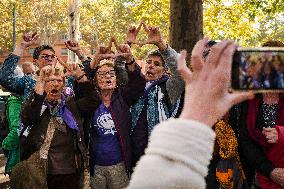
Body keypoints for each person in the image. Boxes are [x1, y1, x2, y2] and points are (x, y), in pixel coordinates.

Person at [127, 39, 253, 188]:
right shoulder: (189, 91)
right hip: (197, 164)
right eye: (207, 54)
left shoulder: (243, 94)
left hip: (233, 166)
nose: (212, 59)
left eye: (219, 56)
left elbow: (246, 136)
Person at [10, 64, 100, 189]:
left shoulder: (71, 106)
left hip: (69, 171)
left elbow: (94, 100)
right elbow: (28, 117)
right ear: (44, 84)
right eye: (50, 80)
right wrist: (40, 83)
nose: (55, 84)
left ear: (63, 85)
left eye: (59, 81)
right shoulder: (36, 104)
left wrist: (80, 76)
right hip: (41, 171)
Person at [85, 43, 146, 189]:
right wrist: (95, 60)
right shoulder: (89, 100)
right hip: (96, 166)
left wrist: (130, 59)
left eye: (111, 74)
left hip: (119, 165)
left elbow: (138, 83)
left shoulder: (123, 97)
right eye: (102, 74)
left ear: (116, 79)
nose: (107, 77)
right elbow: (81, 83)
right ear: (95, 80)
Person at [127, 23, 185, 168]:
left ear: (166, 71)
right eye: (148, 62)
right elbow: (120, 70)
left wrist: (161, 45)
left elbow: (181, 72)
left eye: (157, 64)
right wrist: (128, 43)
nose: (151, 66)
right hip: (134, 158)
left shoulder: (170, 87)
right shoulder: (135, 85)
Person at [239, 40, 284, 189]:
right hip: (260, 178)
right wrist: (270, 171)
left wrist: (281, 134)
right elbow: (245, 140)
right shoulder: (250, 97)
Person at [1, 62, 36, 175]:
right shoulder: (22, 97)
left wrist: (5, 145)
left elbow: (16, 128)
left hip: (17, 157)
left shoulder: (14, 101)